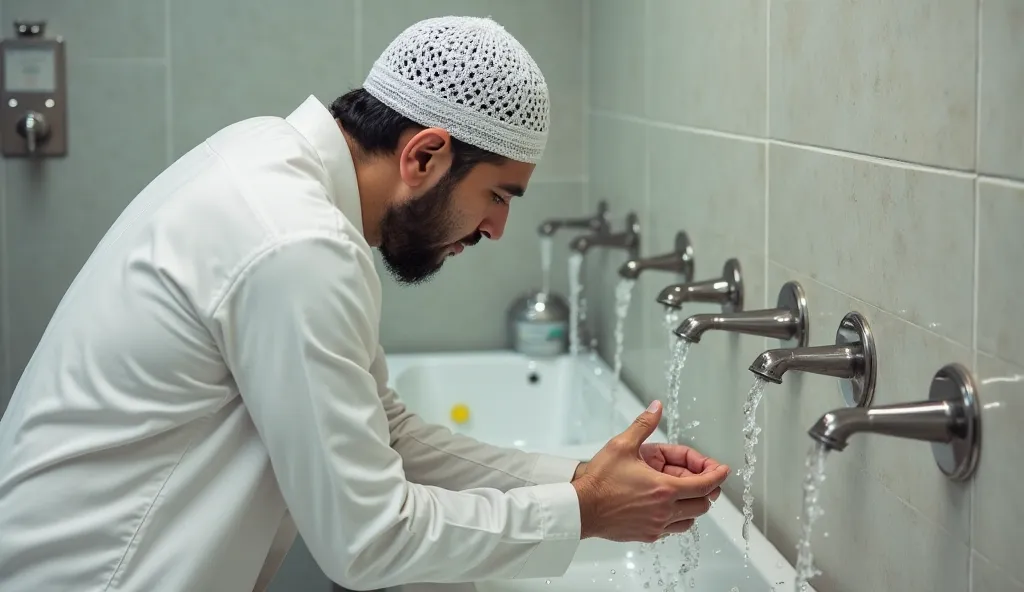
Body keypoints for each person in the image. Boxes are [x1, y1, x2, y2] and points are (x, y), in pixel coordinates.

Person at [0, 16, 729, 592]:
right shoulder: (297, 244)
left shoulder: (269, 163)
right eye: (498, 195)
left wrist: (582, 478)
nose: (498, 228)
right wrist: (585, 512)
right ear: (425, 155)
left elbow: (389, 436)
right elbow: (366, 541)